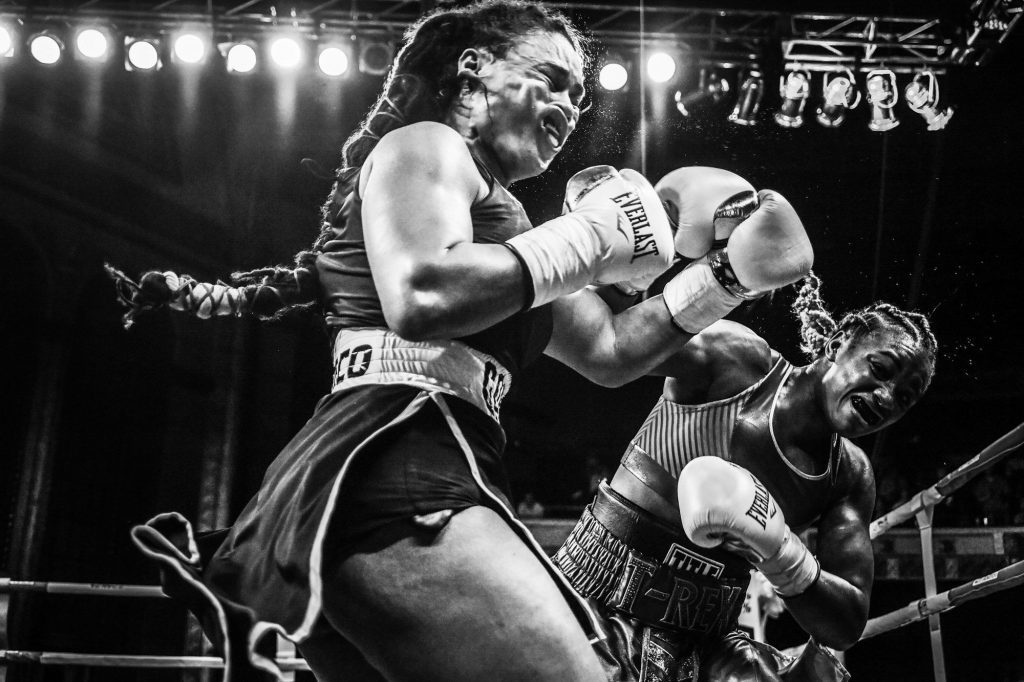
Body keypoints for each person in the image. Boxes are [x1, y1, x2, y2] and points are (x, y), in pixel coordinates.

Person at [111, 2, 813, 680]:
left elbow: (609, 350)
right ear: (474, 71)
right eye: (552, 78)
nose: (570, 108)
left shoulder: (510, 231)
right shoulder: (427, 145)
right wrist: (596, 235)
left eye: (579, 95)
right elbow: (422, 294)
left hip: (420, 464)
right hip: (391, 461)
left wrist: (727, 275)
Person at [554, 165, 938, 681]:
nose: (887, 397)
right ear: (834, 345)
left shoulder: (848, 475)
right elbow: (609, 342)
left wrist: (782, 552)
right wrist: (625, 264)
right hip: (595, 587)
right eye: (881, 370)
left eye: (906, 397)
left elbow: (846, 621)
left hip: (708, 633)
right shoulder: (735, 360)